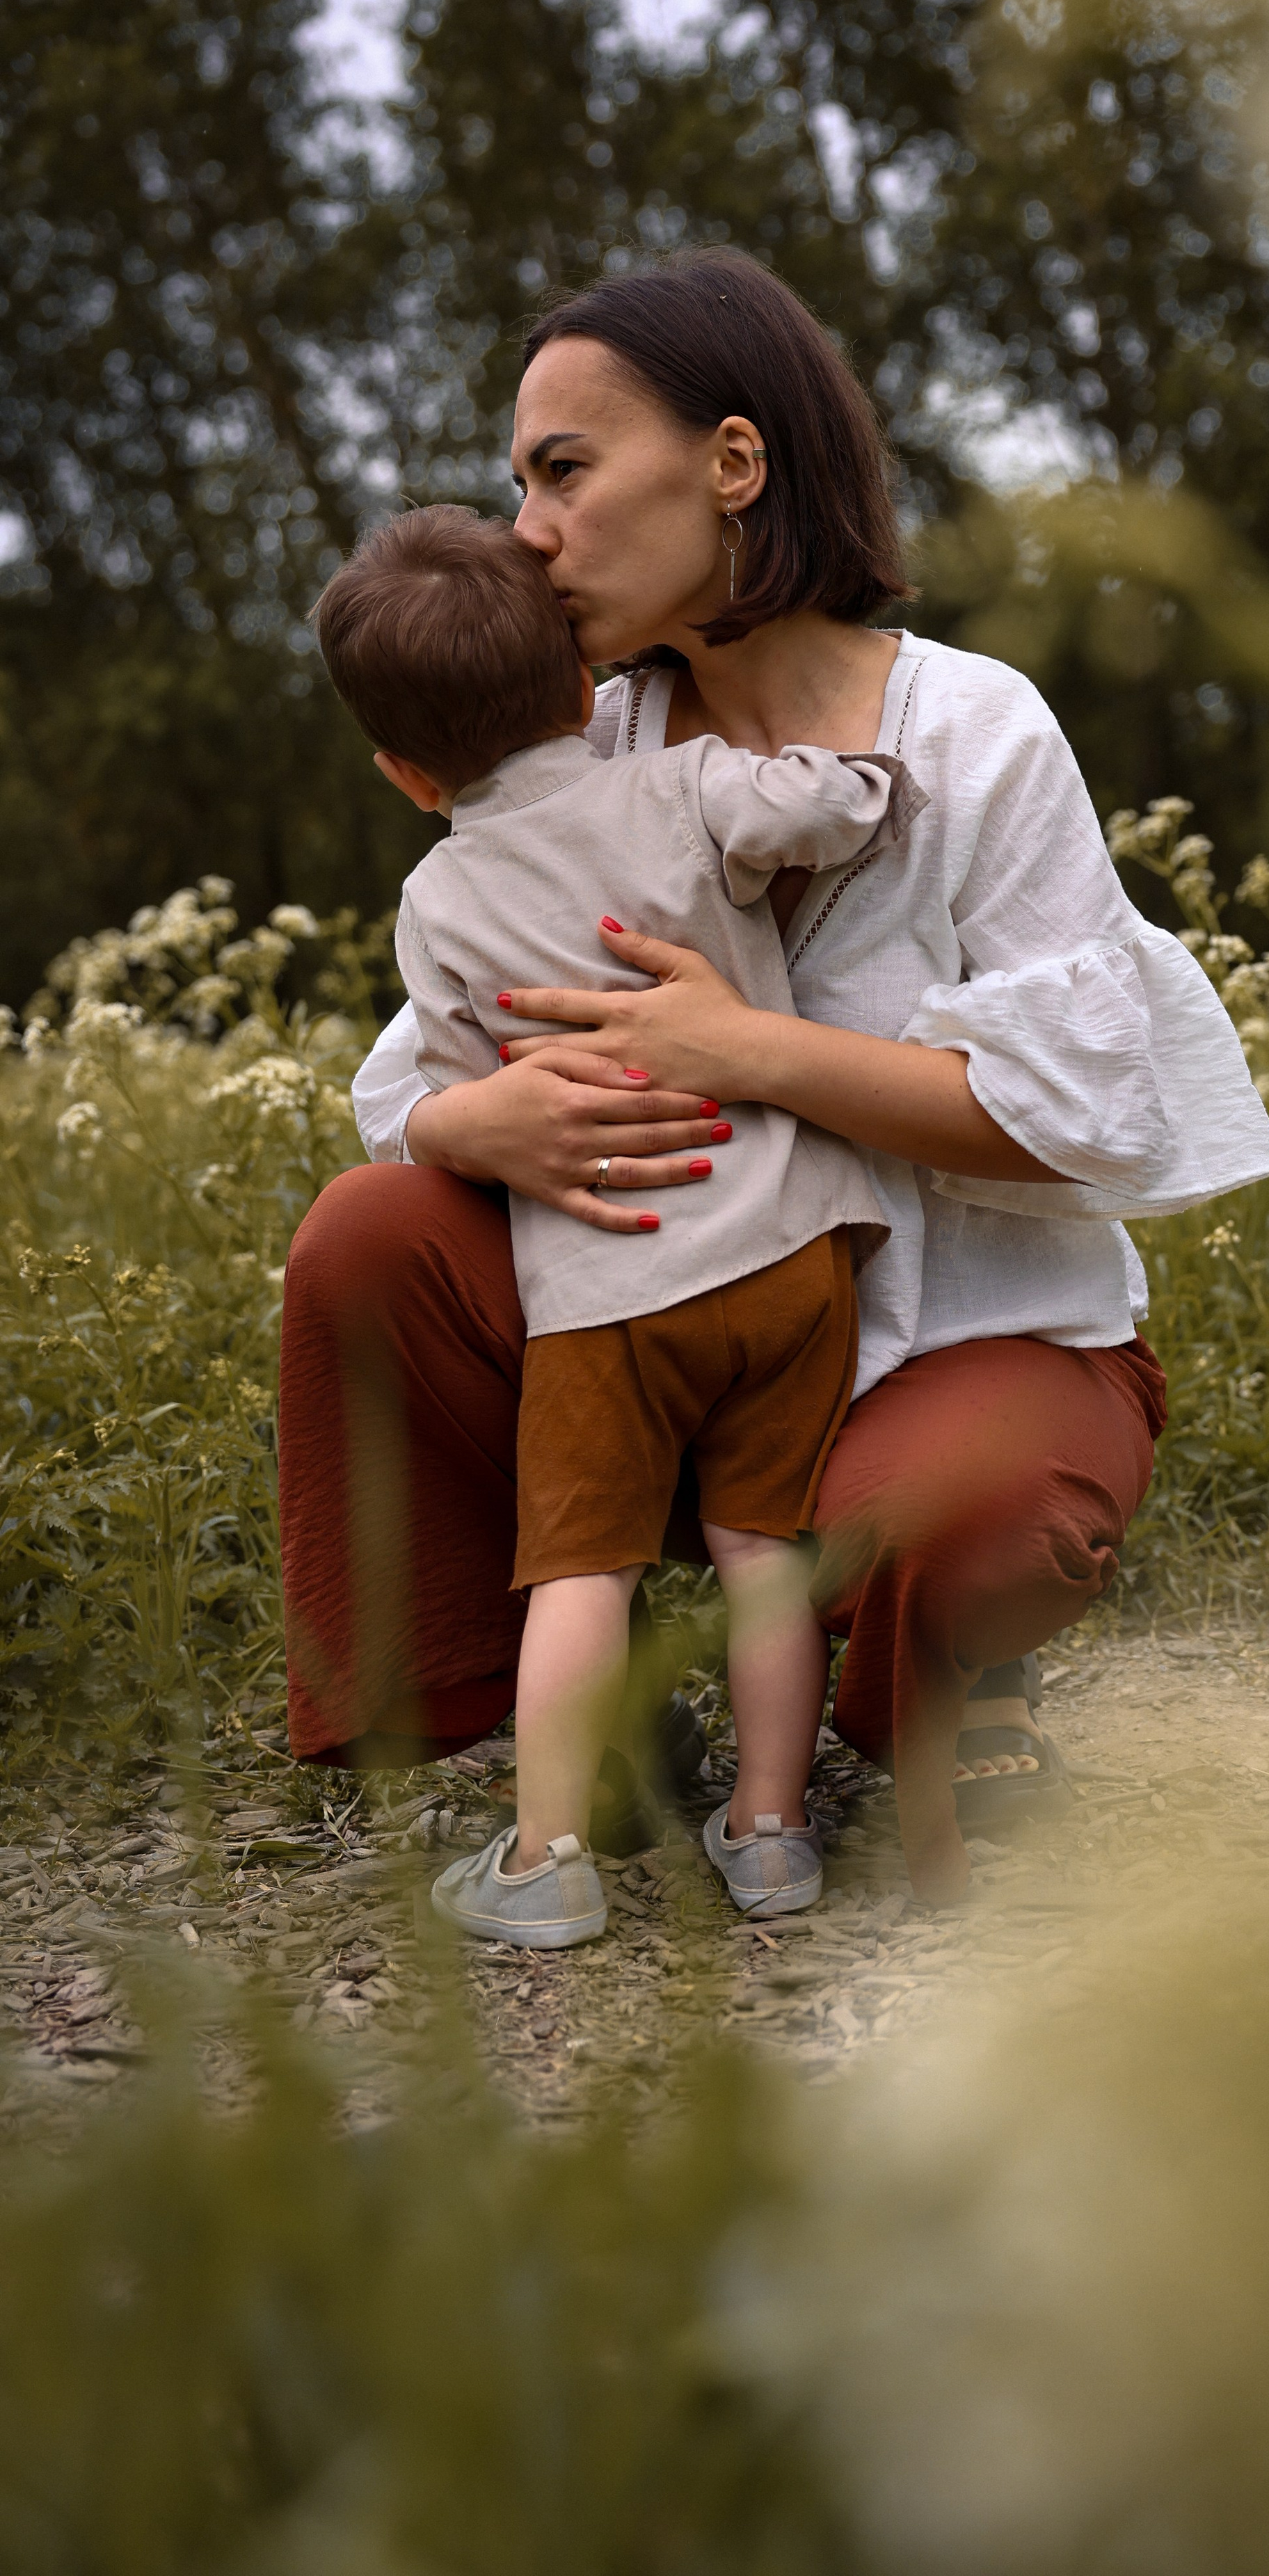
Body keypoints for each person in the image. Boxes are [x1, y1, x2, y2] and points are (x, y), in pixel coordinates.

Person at [279, 248, 1269, 1906]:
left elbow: (1083, 1125)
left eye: (564, 471)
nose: (526, 529)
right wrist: (482, 1121)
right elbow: (408, 1086)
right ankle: (584, 1716)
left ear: (733, 465)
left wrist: (746, 1052)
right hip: (673, 1348)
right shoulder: (580, 744)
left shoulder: (975, 732)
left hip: (955, 1347)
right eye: (516, 483)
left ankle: (952, 1694)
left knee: (978, 1516)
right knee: (367, 1239)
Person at [312, 502, 911, 1939]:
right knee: (763, 1547)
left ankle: (547, 1859)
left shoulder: (439, 898)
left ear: (402, 773)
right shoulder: (682, 782)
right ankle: (771, 1834)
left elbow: (451, 1104)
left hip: (606, 1285)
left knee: (580, 1566)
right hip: (786, 1251)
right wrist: (858, 773)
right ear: (589, 696)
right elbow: (829, 809)